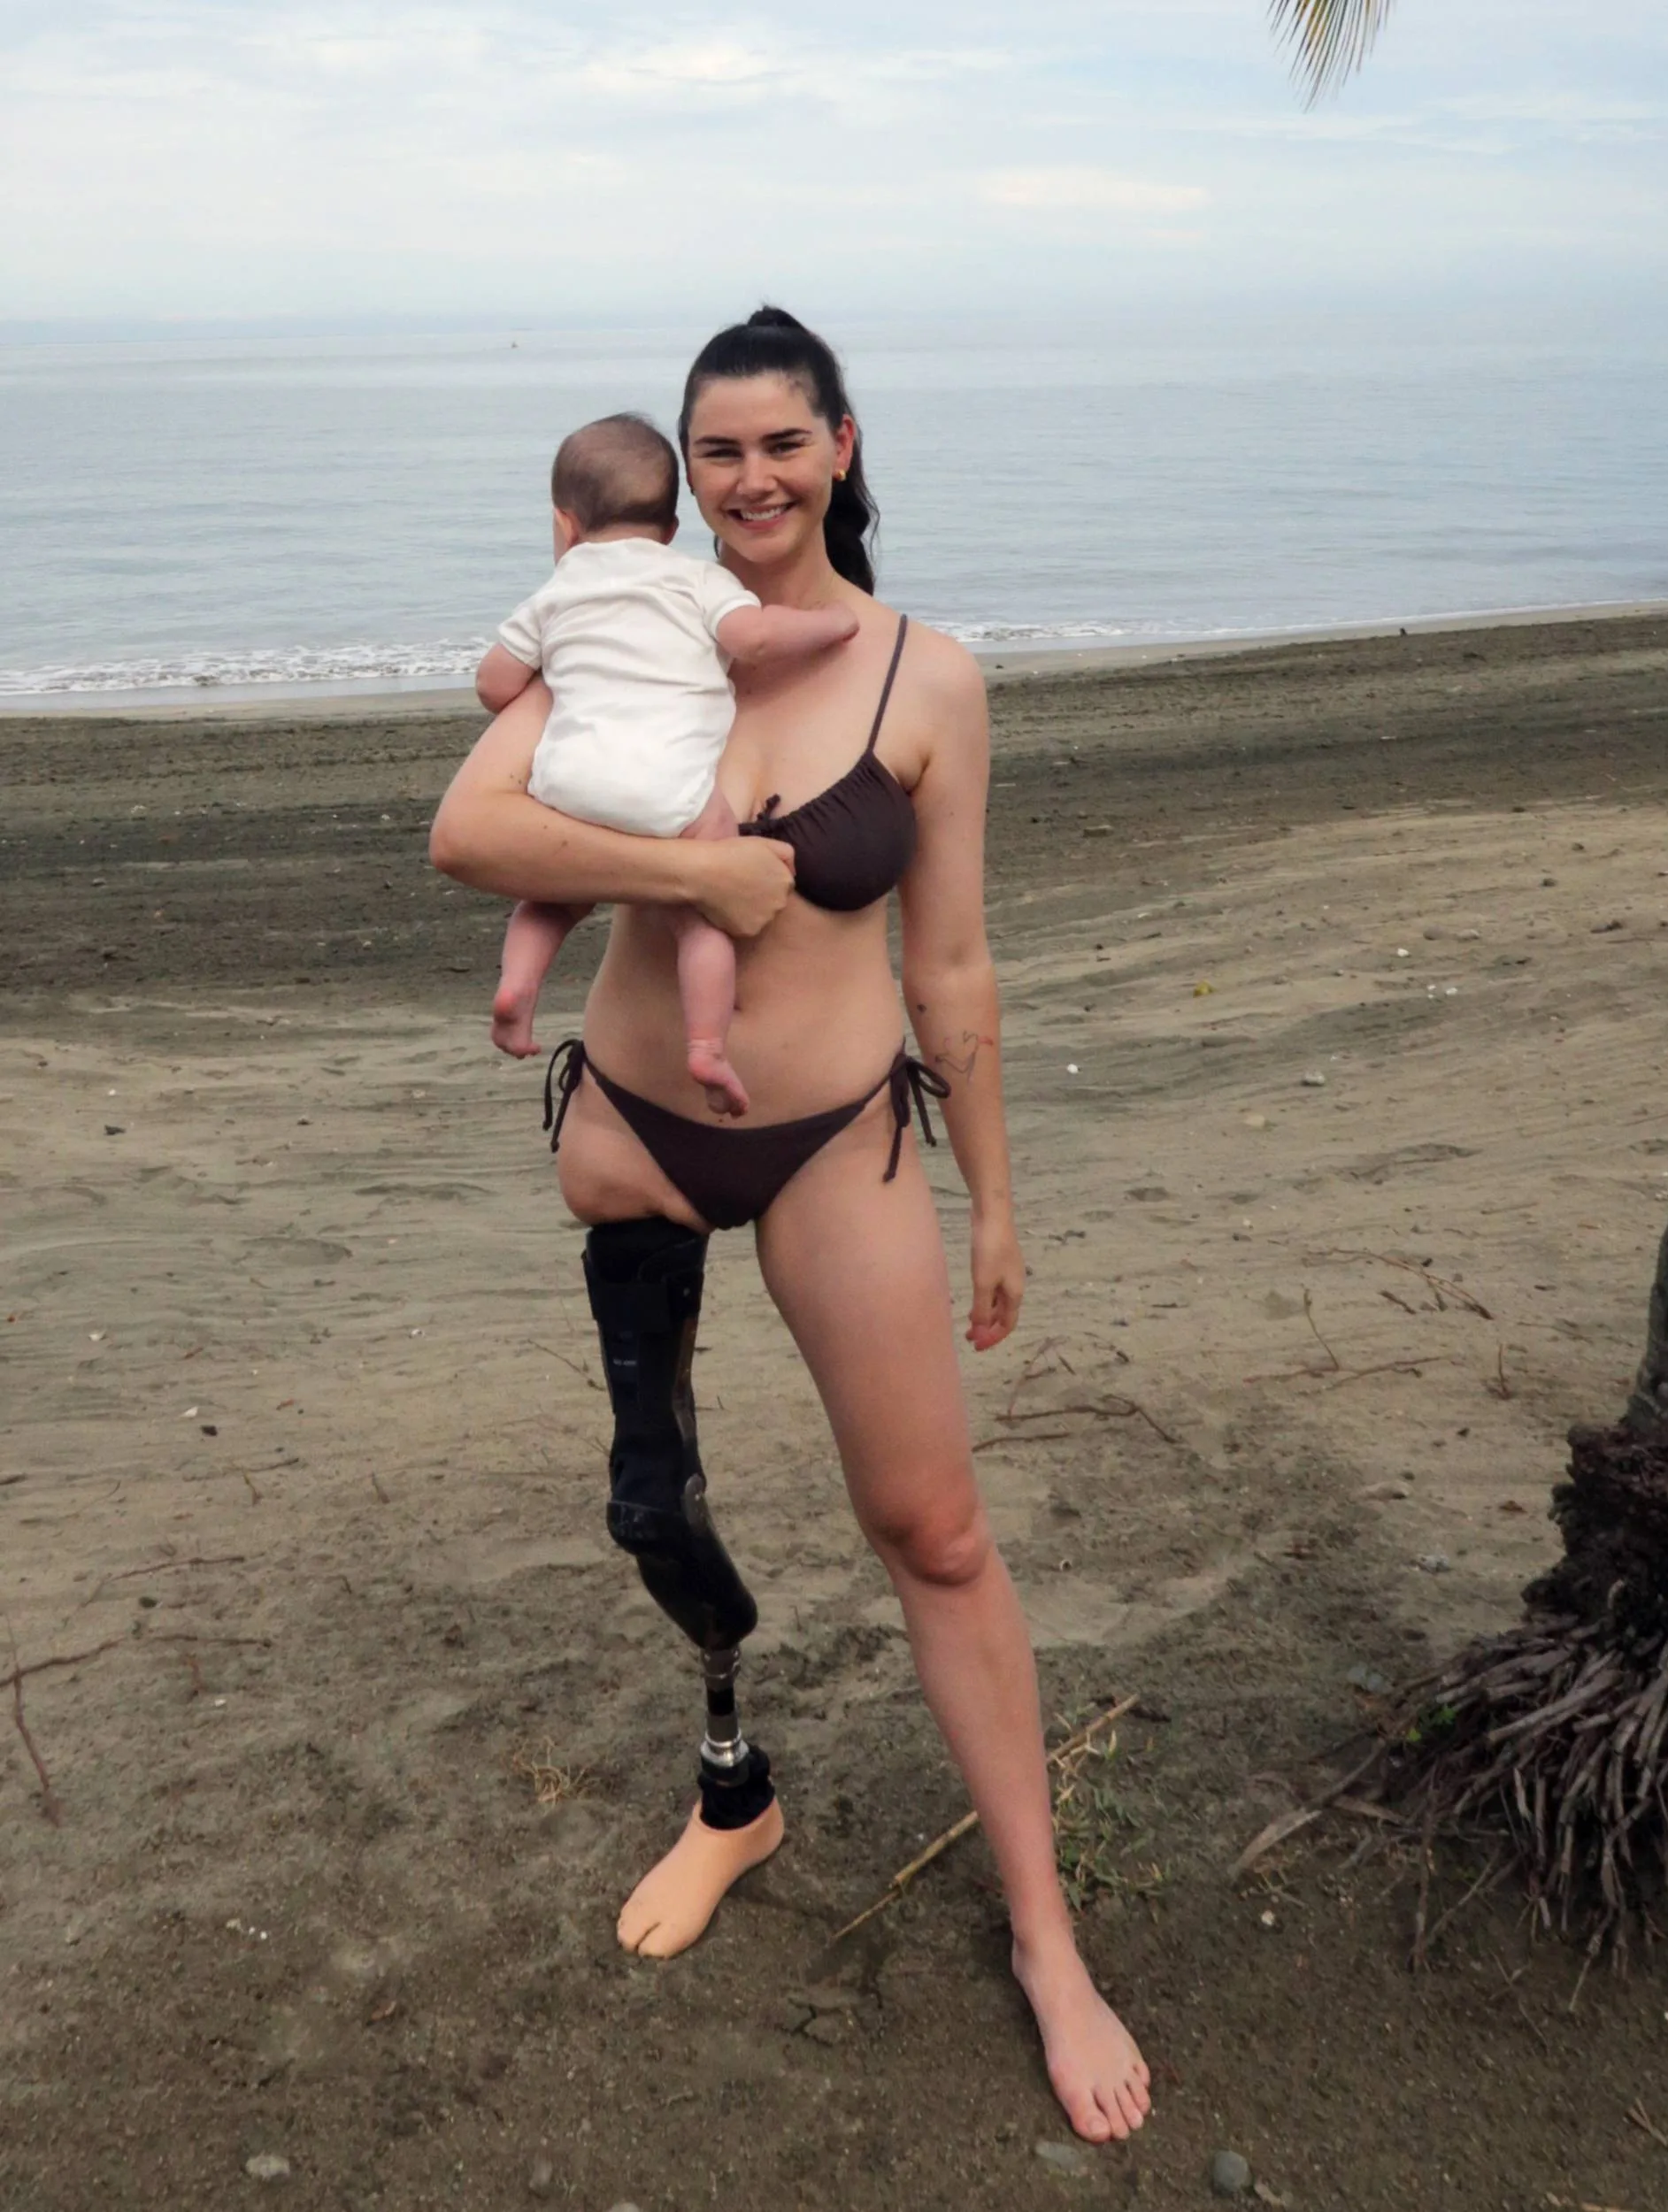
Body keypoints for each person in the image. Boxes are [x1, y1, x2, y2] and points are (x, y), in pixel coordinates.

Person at [431, 308, 1151, 2144]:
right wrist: (695, 873)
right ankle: (732, 1789)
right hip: (637, 1128)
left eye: (779, 442)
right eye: (717, 451)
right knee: (659, 1508)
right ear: (678, 474)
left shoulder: (925, 680)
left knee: (935, 1527)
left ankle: (1047, 1936)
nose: (749, 478)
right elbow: (471, 833)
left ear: (841, 445)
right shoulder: (620, 627)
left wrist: (994, 1196)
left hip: (837, 1137)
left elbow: (953, 967)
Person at [474, 410, 857, 1111]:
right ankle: (706, 1045)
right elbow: (756, 639)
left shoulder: (556, 594)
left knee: (549, 900)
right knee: (700, 914)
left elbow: (494, 686)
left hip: (568, 782)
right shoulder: (696, 580)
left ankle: (517, 990)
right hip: (669, 790)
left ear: (564, 525)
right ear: (673, 527)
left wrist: (557, 675)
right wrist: (830, 623)